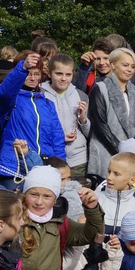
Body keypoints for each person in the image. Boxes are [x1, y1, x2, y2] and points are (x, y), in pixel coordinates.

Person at [21, 166, 105, 270]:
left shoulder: (60, 222)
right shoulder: (12, 219)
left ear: (55, 199)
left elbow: (91, 235)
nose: (39, 202)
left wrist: (92, 209)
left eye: (47, 196)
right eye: (33, 194)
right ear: (24, 193)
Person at [0, 52, 65, 189]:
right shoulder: (10, 100)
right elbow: (3, 93)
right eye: (29, 73)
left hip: (44, 167)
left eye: (37, 74)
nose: (33, 78)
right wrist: (23, 68)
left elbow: (57, 138)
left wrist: (60, 166)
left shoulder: (47, 103)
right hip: (14, 169)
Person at [88, 48, 135, 184]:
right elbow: (99, 125)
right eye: (125, 65)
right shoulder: (100, 88)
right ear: (113, 65)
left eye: (132, 66)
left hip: (129, 156)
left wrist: (133, 150)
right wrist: (121, 149)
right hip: (105, 152)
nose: (129, 70)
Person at [40, 53, 91, 181]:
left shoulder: (80, 95)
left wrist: (83, 119)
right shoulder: (40, 94)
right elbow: (36, 128)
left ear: (73, 74)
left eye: (68, 75)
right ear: (50, 73)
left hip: (78, 158)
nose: (63, 78)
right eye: (59, 74)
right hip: (50, 158)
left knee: (78, 196)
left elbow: (90, 133)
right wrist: (59, 137)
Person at [95, 152, 135, 235]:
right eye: (109, 171)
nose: (109, 177)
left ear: (132, 180)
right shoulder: (94, 199)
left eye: (116, 174)